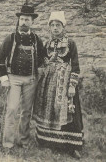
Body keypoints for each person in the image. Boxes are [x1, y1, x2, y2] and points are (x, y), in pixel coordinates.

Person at [32, 11, 83, 159]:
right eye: (52, 25)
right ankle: (48, 142)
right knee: (49, 109)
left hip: (64, 82)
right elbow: (41, 61)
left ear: (63, 26)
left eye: (58, 25)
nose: (55, 28)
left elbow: (75, 65)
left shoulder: (70, 43)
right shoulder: (47, 43)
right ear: (49, 27)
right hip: (48, 83)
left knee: (68, 111)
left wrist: (72, 85)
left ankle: (72, 145)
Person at [0, 5, 44, 149]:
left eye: (27, 20)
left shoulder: (37, 40)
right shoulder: (11, 38)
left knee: (26, 112)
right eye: (22, 19)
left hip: (31, 80)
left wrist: (39, 76)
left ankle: (24, 140)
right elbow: (1, 59)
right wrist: (4, 78)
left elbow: (41, 60)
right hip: (13, 79)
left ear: (32, 22)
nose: (24, 22)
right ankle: (8, 142)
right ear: (18, 20)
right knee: (12, 109)